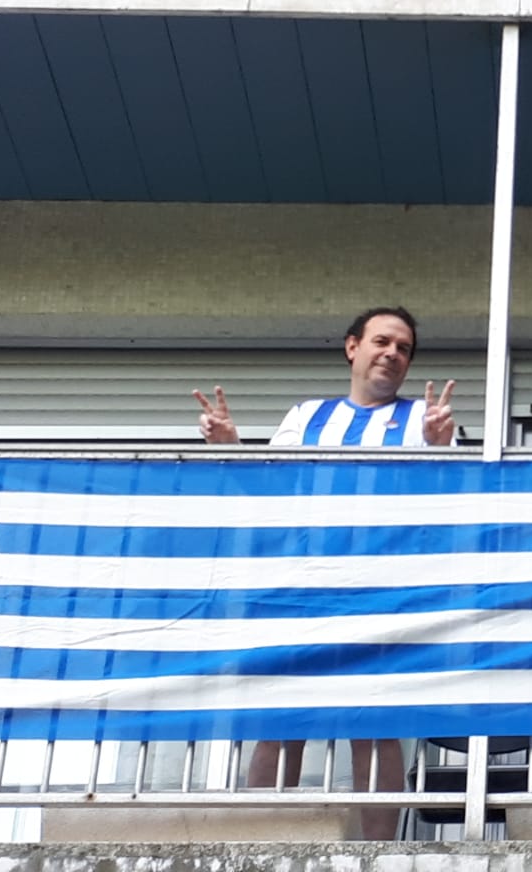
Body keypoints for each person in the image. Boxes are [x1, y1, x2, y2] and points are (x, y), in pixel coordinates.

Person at [192, 306, 455, 838]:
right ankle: (264, 845)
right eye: (382, 341)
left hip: (386, 593)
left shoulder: (426, 420)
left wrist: (443, 448)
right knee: (281, 721)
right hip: (301, 588)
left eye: (403, 348)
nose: (393, 353)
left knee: (377, 725)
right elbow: (270, 493)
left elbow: (451, 505)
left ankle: (379, 854)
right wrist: (232, 452)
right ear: (352, 347)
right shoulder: (307, 416)